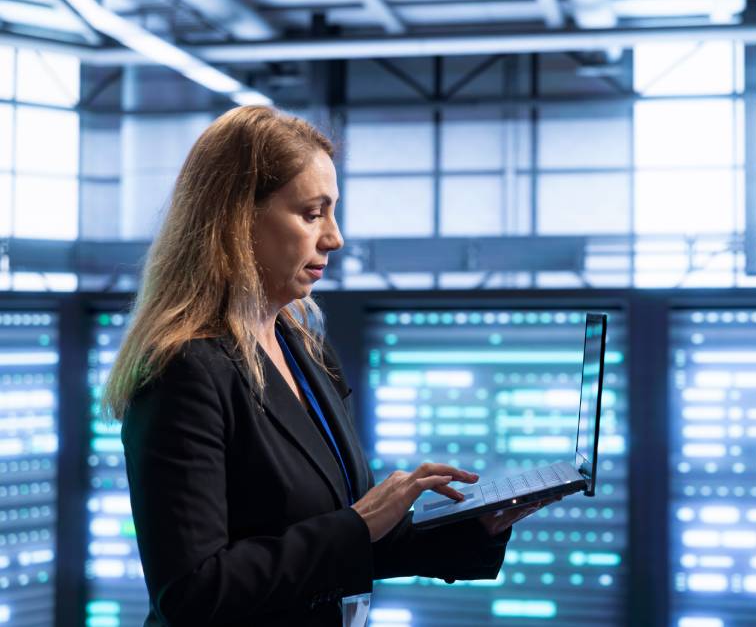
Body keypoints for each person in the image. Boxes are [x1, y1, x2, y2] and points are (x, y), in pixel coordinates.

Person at [101, 105, 555, 626]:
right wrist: (359, 525)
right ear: (236, 220)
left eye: (332, 212)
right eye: (312, 213)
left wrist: (475, 527)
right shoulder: (184, 370)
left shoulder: (302, 347)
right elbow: (193, 592)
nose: (334, 237)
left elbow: (341, 542)